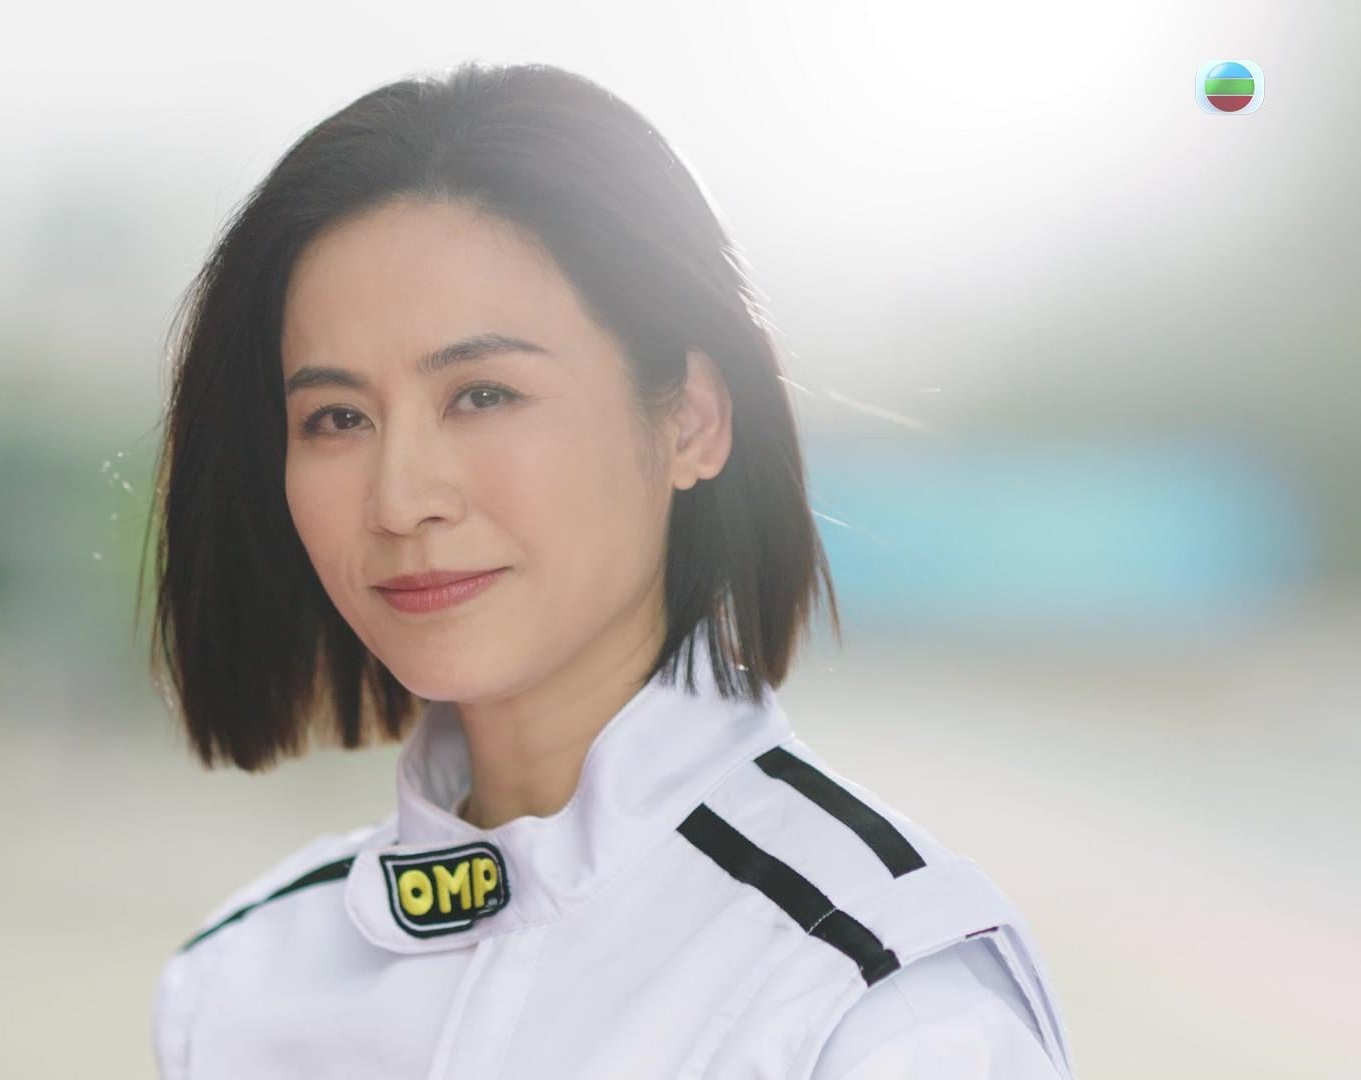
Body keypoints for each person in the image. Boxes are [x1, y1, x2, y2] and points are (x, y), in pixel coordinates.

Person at [143, 60, 1077, 1079]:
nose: (401, 499)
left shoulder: (874, 997)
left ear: (691, 420)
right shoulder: (236, 989)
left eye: (483, 395)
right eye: (337, 418)